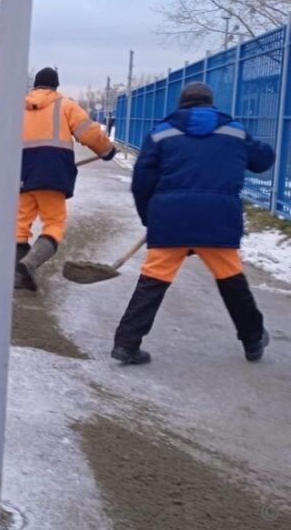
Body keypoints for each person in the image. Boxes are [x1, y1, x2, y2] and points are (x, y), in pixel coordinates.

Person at [112, 82, 275, 365]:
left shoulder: (162, 133)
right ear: (210, 104)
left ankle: (126, 344)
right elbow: (263, 160)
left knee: (153, 280)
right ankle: (252, 339)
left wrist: (150, 218)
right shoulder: (233, 131)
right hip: (217, 220)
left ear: (181, 105)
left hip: (171, 218)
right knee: (231, 280)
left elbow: (141, 181)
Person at [16, 67, 116, 290]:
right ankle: (29, 264)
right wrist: (107, 151)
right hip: (53, 174)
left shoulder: (18, 108)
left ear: (35, 86)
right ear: (55, 86)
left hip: (22, 173)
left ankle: (18, 273)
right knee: (53, 224)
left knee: (20, 225)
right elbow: (89, 133)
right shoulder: (65, 105)